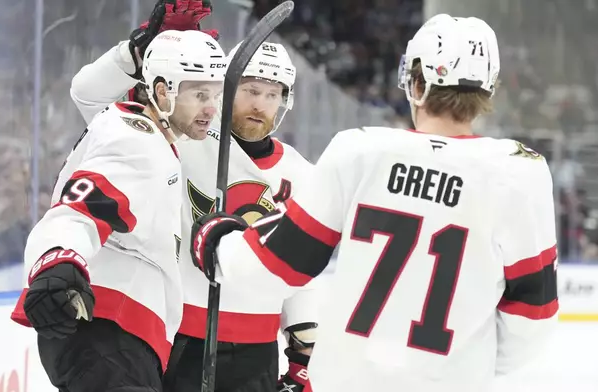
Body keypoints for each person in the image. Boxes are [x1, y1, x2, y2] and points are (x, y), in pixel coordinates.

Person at [190, 14, 559, 392]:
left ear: (415, 82)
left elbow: (278, 264)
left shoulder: (360, 152)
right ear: (488, 88)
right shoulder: (518, 173)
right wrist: (460, 365)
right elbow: (534, 319)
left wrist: (219, 242)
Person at [69, 1, 320, 391]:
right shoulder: (182, 136)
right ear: (225, 89)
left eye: (272, 95)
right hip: (181, 336)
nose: (260, 104)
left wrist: (303, 353)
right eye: (251, 90)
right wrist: (135, 54)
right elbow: (88, 96)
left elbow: (299, 265)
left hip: (258, 351)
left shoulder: (302, 173)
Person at [9, 29, 226, 391]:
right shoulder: (139, 140)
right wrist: (58, 258)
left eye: (216, 95)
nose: (211, 108)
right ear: (161, 92)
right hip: (109, 331)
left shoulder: (141, 132)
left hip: (115, 336)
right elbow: (83, 206)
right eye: (199, 94)